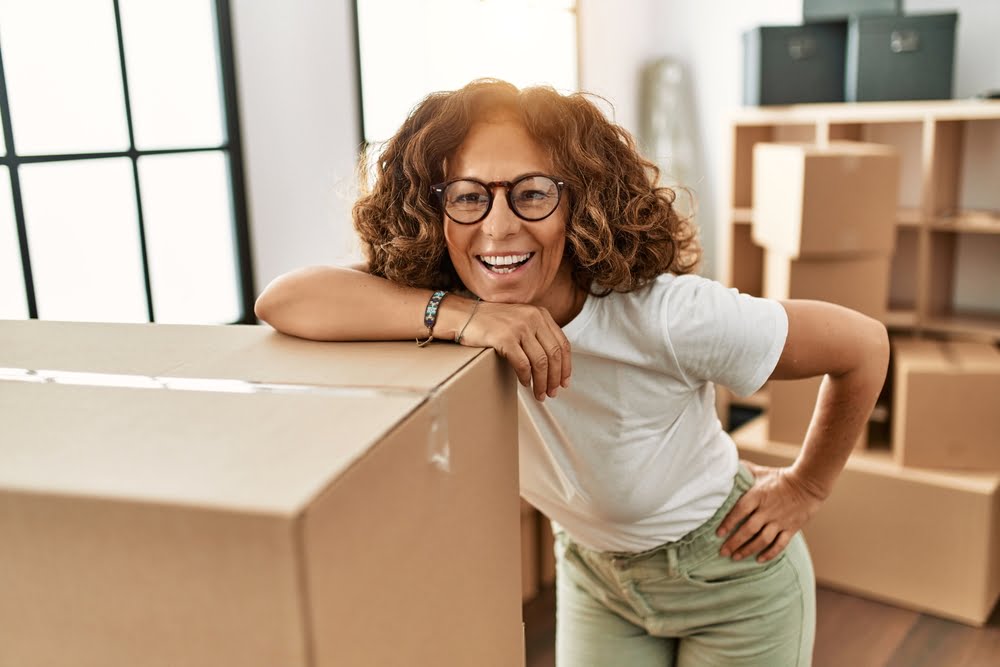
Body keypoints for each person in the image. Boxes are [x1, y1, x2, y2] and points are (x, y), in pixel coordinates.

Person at [255, 79, 888, 666]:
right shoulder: (444, 299)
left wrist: (807, 487)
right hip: (593, 573)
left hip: (730, 572)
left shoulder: (667, 315)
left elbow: (863, 346)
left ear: (580, 203)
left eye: (532, 193)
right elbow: (283, 300)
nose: (498, 227)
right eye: (469, 197)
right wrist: (463, 316)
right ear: (437, 210)